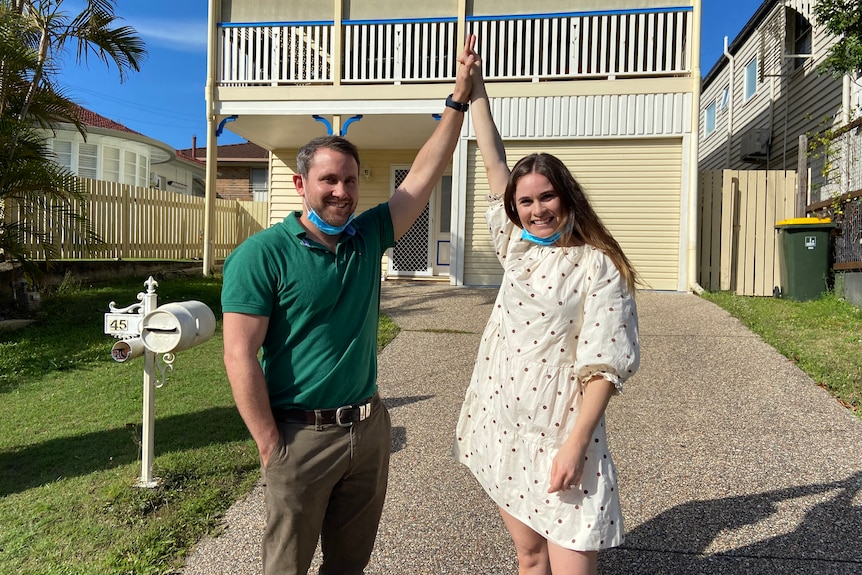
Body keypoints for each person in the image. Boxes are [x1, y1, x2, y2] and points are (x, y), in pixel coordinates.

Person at [222, 37, 477, 575]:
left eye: (350, 180)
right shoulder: (260, 256)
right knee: (285, 567)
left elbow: (426, 173)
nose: (342, 191)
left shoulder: (366, 236)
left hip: (369, 427)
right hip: (301, 437)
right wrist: (271, 445)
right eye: (329, 180)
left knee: (349, 564)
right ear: (300, 184)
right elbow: (239, 356)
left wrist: (457, 99)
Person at [452, 44, 640, 575]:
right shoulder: (516, 247)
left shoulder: (597, 265)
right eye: (526, 201)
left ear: (567, 197)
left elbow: (603, 365)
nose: (536, 209)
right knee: (530, 558)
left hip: (562, 433)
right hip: (505, 425)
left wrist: (575, 446)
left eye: (546, 196)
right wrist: (477, 89)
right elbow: (493, 159)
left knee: (574, 560)